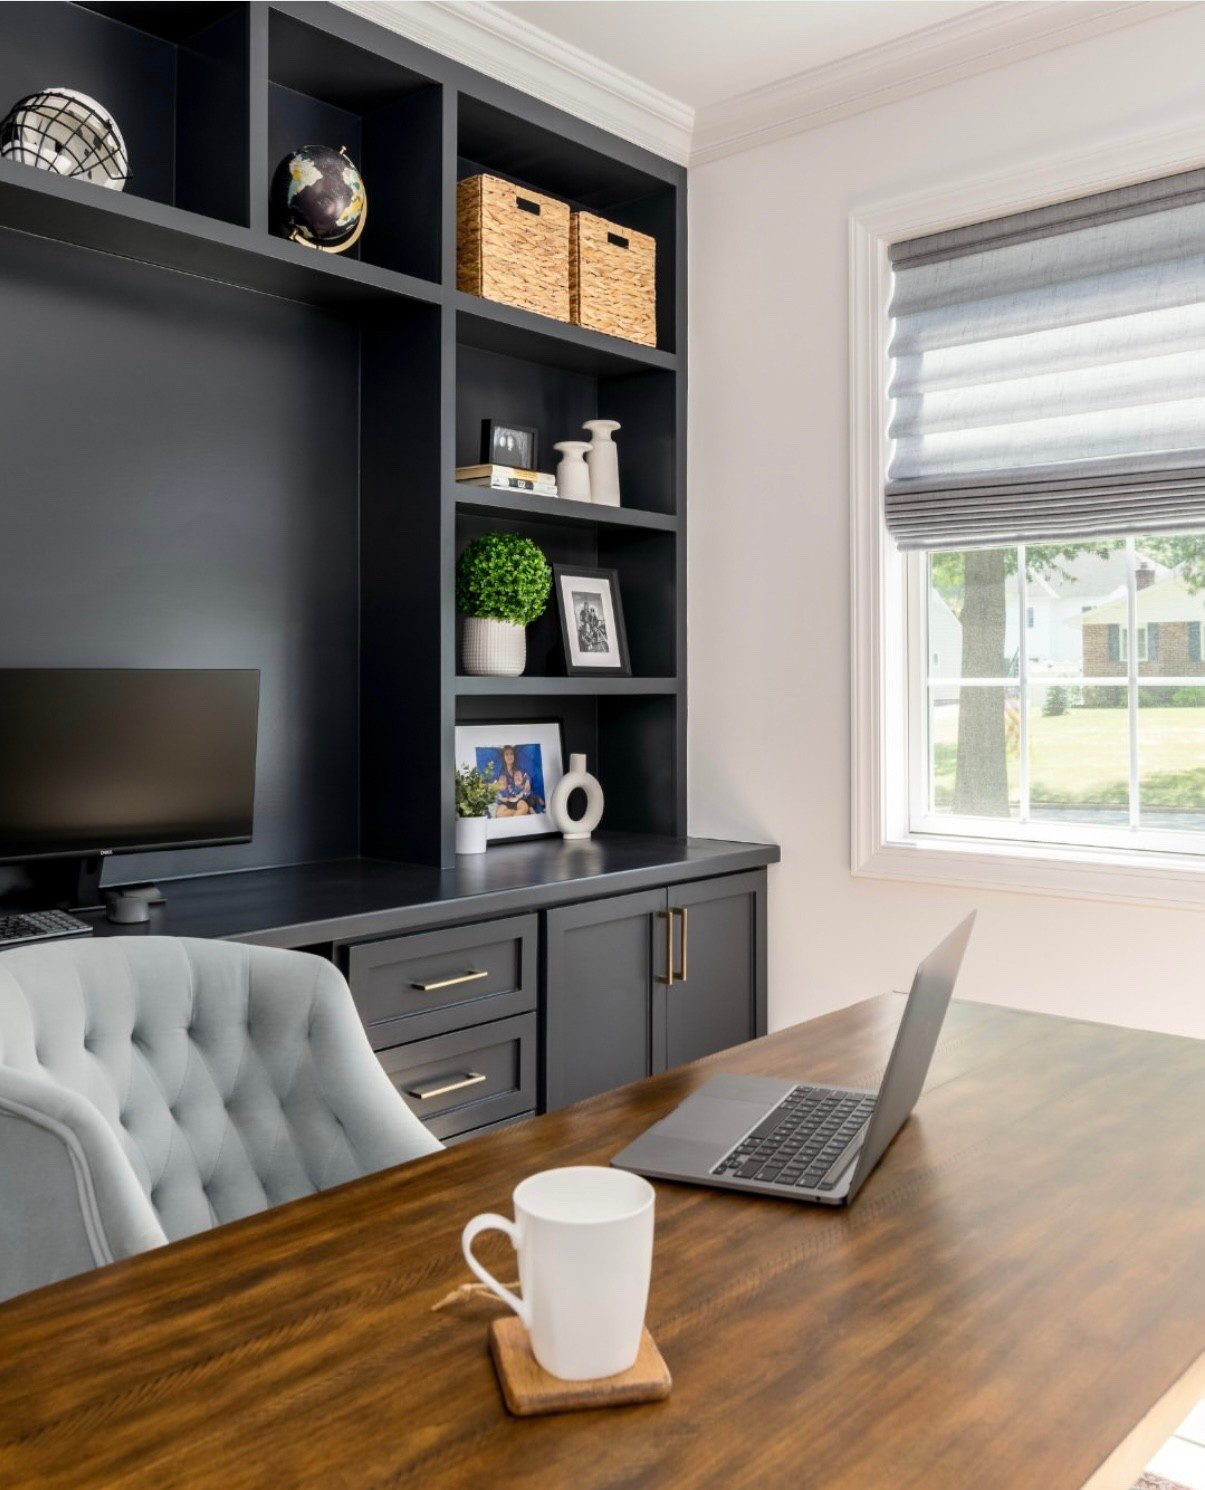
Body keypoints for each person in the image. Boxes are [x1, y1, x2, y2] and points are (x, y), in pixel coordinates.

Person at [493, 744, 541, 816]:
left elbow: (526, 776)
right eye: (507, 754)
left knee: (524, 807)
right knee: (499, 813)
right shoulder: (500, 772)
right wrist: (499, 789)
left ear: (514, 756)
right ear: (503, 757)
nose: (509, 756)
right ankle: (518, 813)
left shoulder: (519, 769)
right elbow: (496, 786)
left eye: (511, 754)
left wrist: (527, 781)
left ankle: (520, 813)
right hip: (506, 801)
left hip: (519, 799)